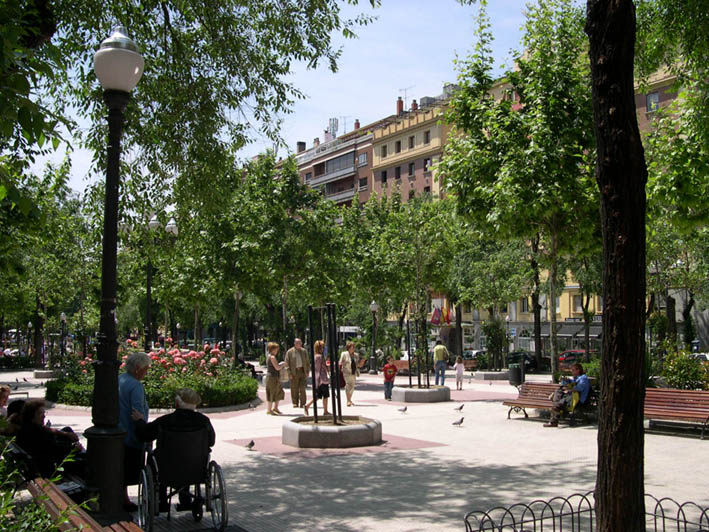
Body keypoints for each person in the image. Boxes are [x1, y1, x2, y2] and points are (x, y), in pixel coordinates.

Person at [131, 388, 215, 513]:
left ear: (176, 404)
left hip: (166, 469)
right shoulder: (203, 421)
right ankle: (185, 501)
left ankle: (161, 501)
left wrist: (139, 421)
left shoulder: (165, 421)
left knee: (158, 458)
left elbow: (144, 435)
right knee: (187, 455)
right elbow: (211, 442)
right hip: (196, 468)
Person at [16, 399, 85, 478]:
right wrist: (73, 448)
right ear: (31, 416)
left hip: (41, 464)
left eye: (44, 412)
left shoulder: (27, 428)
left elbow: (51, 448)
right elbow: (55, 450)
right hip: (50, 468)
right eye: (40, 413)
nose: (44, 415)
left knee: (67, 431)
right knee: (86, 461)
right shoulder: (37, 433)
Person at [118, 352, 151, 511]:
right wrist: (144, 427)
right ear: (138, 368)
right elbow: (137, 411)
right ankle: (124, 500)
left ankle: (123, 498)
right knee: (128, 469)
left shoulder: (120, 379)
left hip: (118, 431)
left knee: (119, 467)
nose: (147, 371)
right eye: (146, 368)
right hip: (131, 433)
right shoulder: (136, 386)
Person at [544, 363, 590, 427]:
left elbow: (579, 388)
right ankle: (556, 406)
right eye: (571, 370)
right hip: (570, 397)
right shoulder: (576, 378)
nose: (571, 371)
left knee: (558, 404)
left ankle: (554, 418)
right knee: (559, 390)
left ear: (578, 370)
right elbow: (568, 384)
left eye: (573, 370)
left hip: (577, 399)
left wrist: (569, 388)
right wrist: (565, 380)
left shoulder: (583, 378)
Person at [304, 340, 329, 416]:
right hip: (322, 379)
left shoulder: (315, 356)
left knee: (318, 396)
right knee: (325, 395)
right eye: (323, 347)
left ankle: (307, 406)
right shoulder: (320, 357)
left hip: (318, 379)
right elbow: (324, 367)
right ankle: (325, 411)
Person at [286, 338, 310, 409]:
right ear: (294, 343)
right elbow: (287, 363)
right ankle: (295, 402)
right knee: (294, 388)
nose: (298, 344)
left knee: (302, 388)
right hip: (294, 372)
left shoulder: (304, 351)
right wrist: (289, 373)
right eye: (297, 343)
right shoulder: (289, 352)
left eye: (299, 343)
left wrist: (308, 371)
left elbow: (307, 362)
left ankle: (303, 403)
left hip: (302, 371)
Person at [265, 342, 286, 415]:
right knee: (272, 392)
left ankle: (275, 408)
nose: (277, 351)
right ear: (272, 349)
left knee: (279, 391)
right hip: (272, 377)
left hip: (274, 377)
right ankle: (269, 410)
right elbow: (277, 368)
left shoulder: (269, 356)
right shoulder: (272, 357)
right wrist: (282, 365)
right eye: (276, 349)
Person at [339, 341, 360, 407]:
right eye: (352, 347)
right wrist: (344, 362)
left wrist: (361, 363)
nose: (353, 348)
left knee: (352, 386)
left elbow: (358, 364)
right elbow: (340, 362)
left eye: (354, 347)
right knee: (348, 385)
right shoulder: (344, 354)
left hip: (354, 372)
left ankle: (349, 400)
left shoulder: (356, 355)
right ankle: (348, 400)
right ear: (348, 348)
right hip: (346, 372)